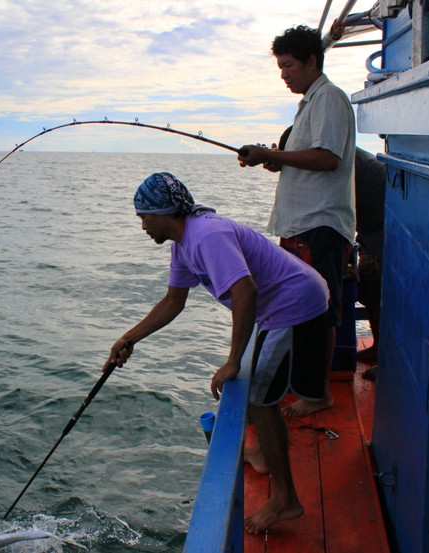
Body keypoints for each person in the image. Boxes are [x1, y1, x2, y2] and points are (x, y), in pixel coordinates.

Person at [105, 172, 329, 534]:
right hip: (280, 308)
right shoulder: (183, 243)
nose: (143, 225)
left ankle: (285, 498)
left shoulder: (207, 236)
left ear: (165, 212)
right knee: (259, 394)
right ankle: (261, 454)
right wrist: (128, 339)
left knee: (258, 397)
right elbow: (173, 301)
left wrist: (231, 361)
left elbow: (245, 292)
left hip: (294, 303)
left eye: (145, 216)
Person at [237, 25, 356, 417]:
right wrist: (274, 159)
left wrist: (276, 155)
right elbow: (307, 158)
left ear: (311, 61)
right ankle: (304, 385)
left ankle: (318, 392)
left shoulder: (330, 100)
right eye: (280, 67)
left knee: (321, 310)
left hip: (320, 224)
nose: (284, 74)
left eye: (288, 65)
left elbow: (327, 157)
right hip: (301, 223)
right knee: (306, 307)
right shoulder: (309, 104)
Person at [352, 147, 386, 379]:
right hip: (368, 235)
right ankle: (378, 347)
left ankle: (389, 361)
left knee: (389, 300)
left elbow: (339, 208)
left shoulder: (342, 159)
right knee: (370, 293)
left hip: (386, 234)